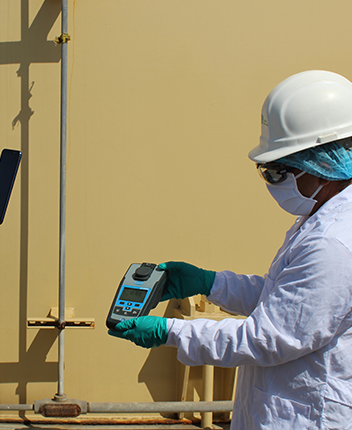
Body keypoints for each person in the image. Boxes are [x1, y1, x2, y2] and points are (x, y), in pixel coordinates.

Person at [109, 70, 352, 429]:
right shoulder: (325, 217)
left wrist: (169, 332)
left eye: (278, 171)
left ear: (321, 163)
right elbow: (283, 300)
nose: (273, 183)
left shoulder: (333, 241)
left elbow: (268, 337)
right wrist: (210, 283)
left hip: (307, 416)